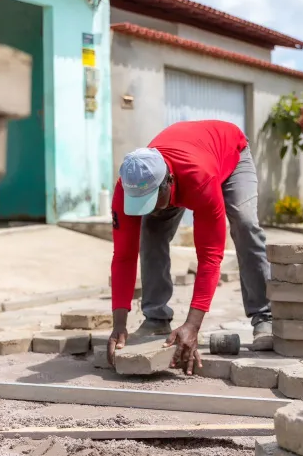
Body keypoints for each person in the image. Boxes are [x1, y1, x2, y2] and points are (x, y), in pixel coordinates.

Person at [106, 119, 272, 374]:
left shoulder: (200, 179)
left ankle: (264, 316)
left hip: (230, 153)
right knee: (151, 230)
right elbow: (124, 257)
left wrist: (192, 326)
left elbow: (210, 257)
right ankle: (156, 318)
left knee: (244, 222)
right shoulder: (127, 186)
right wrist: (118, 324)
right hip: (188, 154)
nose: (146, 207)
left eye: (152, 200)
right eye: (140, 202)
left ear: (168, 181)